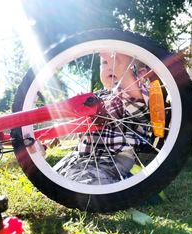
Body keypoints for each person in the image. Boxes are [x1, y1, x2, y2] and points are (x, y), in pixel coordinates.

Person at [56, 52, 150, 184]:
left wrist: (124, 73)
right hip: (83, 156)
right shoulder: (96, 96)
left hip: (113, 158)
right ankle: (125, 181)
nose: (111, 66)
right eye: (105, 62)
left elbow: (137, 103)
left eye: (117, 63)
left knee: (86, 185)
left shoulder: (134, 94)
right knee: (54, 179)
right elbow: (77, 125)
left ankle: (126, 184)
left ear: (141, 73)